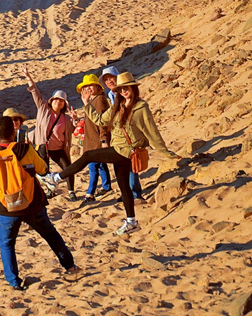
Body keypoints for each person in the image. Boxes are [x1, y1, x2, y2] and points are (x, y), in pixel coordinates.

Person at [43, 72, 181, 235]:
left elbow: (152, 132)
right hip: (118, 149)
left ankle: (57, 178)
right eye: (120, 89)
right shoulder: (118, 106)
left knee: (88, 156)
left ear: (133, 88)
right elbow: (101, 120)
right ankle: (132, 222)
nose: (123, 91)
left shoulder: (140, 107)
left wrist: (167, 153)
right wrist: (86, 104)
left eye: (126, 88)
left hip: (125, 151)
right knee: (124, 187)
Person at [0, 115, 79, 291]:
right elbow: (43, 169)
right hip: (32, 203)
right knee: (50, 234)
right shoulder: (26, 150)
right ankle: (70, 266)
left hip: (6, 207)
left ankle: (14, 282)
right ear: (14, 131)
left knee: (7, 244)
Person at [21, 66, 77, 201]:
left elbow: (73, 131)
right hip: (42, 147)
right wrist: (28, 78)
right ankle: (50, 191)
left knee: (68, 168)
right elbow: (35, 92)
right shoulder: (43, 108)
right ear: (52, 101)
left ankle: (71, 191)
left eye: (61, 101)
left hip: (57, 148)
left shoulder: (66, 119)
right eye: (56, 99)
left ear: (64, 104)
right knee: (44, 171)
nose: (58, 102)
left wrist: (75, 120)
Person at [101, 66, 143, 200]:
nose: (109, 82)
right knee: (120, 167)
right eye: (106, 80)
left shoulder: (126, 92)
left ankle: (135, 194)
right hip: (117, 135)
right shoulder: (109, 95)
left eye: (111, 78)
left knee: (132, 165)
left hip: (129, 134)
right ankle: (126, 193)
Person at [75, 74, 112, 206]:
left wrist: (103, 140)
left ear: (97, 87)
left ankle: (90, 194)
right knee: (100, 164)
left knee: (92, 166)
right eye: (85, 86)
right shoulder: (93, 100)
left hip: (96, 140)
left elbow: (103, 122)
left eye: (90, 85)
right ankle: (107, 185)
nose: (88, 88)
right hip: (92, 139)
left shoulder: (100, 100)